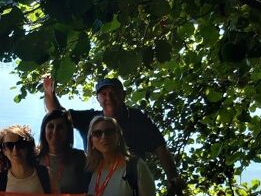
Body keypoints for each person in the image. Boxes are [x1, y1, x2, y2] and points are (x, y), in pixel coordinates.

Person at [42, 75, 181, 187]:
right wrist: (49, 92)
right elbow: (58, 114)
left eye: (114, 92)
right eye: (103, 93)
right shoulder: (90, 118)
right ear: (98, 98)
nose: (108, 97)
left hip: (131, 182)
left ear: (123, 95)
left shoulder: (137, 118)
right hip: (96, 180)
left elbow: (160, 148)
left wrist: (173, 177)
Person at [36, 109, 90, 194]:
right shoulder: (36, 159)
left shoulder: (79, 157)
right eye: (50, 126)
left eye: (60, 127)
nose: (55, 131)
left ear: (68, 132)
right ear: (44, 130)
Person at [0, 125, 52, 193]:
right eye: (9, 145)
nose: (15, 150)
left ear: (27, 147)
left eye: (20, 144)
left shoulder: (46, 174)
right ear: (4, 150)